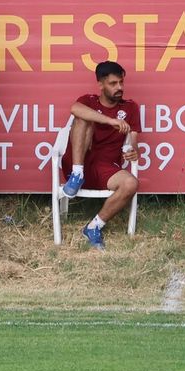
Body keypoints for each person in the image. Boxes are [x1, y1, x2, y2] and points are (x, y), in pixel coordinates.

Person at [60, 61, 141, 250]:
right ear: (101, 85)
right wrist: (109, 121)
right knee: (83, 119)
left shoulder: (130, 108)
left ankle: (94, 227)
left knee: (131, 184)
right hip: (78, 162)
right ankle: (77, 174)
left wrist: (132, 149)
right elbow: (75, 109)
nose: (119, 87)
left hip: (107, 167)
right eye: (113, 84)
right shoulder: (89, 101)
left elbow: (133, 138)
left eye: (121, 82)